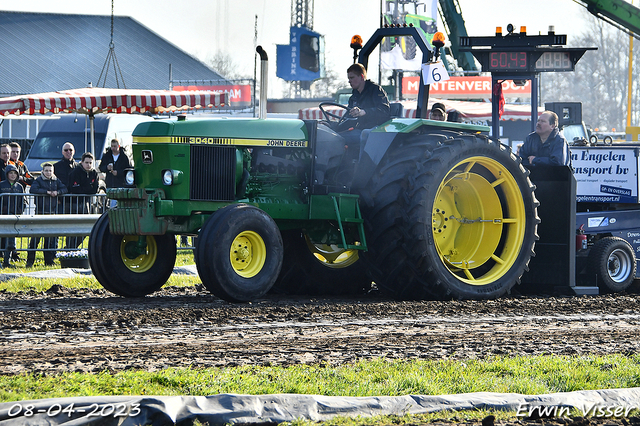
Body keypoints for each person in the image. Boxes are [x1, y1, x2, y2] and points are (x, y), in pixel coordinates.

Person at [27, 163, 68, 267]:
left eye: (50, 170)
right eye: (46, 170)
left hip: (51, 213)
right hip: (40, 213)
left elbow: (65, 189)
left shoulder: (56, 180)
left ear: (53, 171)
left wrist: (57, 192)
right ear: (43, 171)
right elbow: (33, 189)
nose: (48, 173)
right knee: (35, 239)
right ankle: (30, 261)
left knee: (49, 240)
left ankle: (48, 261)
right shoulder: (38, 180)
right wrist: (47, 192)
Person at [341, 63, 390, 147]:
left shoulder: (375, 91)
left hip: (377, 129)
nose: (349, 81)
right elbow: (348, 119)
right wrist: (332, 126)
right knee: (337, 137)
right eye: (349, 78)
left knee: (365, 133)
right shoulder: (354, 98)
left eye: (352, 78)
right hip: (359, 130)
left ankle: (364, 160)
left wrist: (364, 112)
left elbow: (384, 111)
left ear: (362, 77)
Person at [67, 152, 99, 248]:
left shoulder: (94, 173)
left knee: (86, 227)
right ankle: (69, 247)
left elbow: (95, 189)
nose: (88, 165)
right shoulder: (75, 172)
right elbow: (74, 188)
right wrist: (88, 188)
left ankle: (73, 247)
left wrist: (85, 189)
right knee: (73, 227)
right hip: (74, 203)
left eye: (90, 163)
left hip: (86, 203)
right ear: (82, 162)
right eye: (86, 162)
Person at [0, 164, 24, 268]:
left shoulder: (19, 187)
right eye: (11, 173)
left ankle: (7, 261)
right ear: (7, 174)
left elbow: (23, 201)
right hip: (2, 216)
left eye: (15, 173)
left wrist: (20, 210)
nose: (13, 175)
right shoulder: (1, 185)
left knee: (11, 241)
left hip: (14, 217)